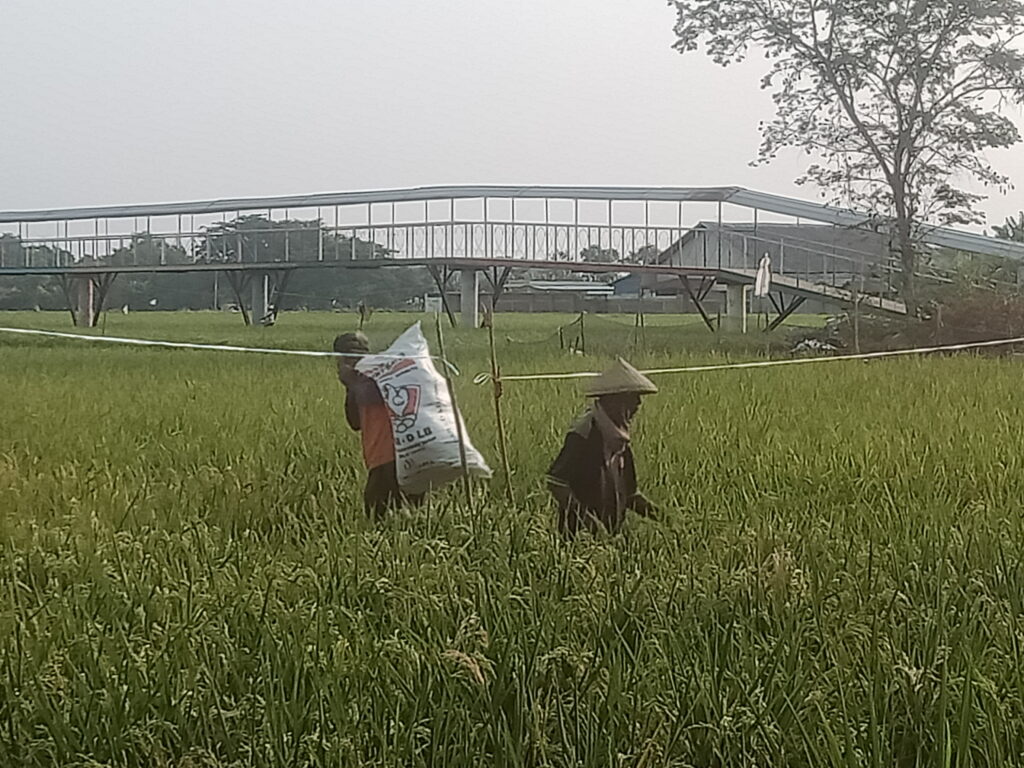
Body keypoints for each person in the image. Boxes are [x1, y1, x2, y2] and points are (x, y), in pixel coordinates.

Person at [547, 358, 658, 538]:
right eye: (632, 398)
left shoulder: (619, 438)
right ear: (613, 400)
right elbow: (556, 482)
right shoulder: (584, 433)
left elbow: (630, 494)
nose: (638, 405)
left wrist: (664, 518)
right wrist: (588, 521)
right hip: (579, 539)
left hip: (609, 536)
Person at [334, 331, 424, 518]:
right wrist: (350, 387)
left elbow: (376, 395)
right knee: (408, 515)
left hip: (390, 458)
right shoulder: (361, 380)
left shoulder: (377, 377)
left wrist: (352, 382)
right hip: (402, 456)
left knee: (378, 512)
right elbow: (355, 423)